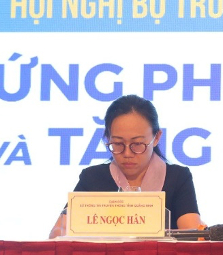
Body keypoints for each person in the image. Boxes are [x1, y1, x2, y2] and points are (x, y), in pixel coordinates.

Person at [49, 95, 203, 237]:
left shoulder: (177, 177)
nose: (127, 153)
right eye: (118, 144)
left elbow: (193, 233)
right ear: (107, 138)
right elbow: (57, 233)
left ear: (156, 137)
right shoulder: (92, 178)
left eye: (137, 144)